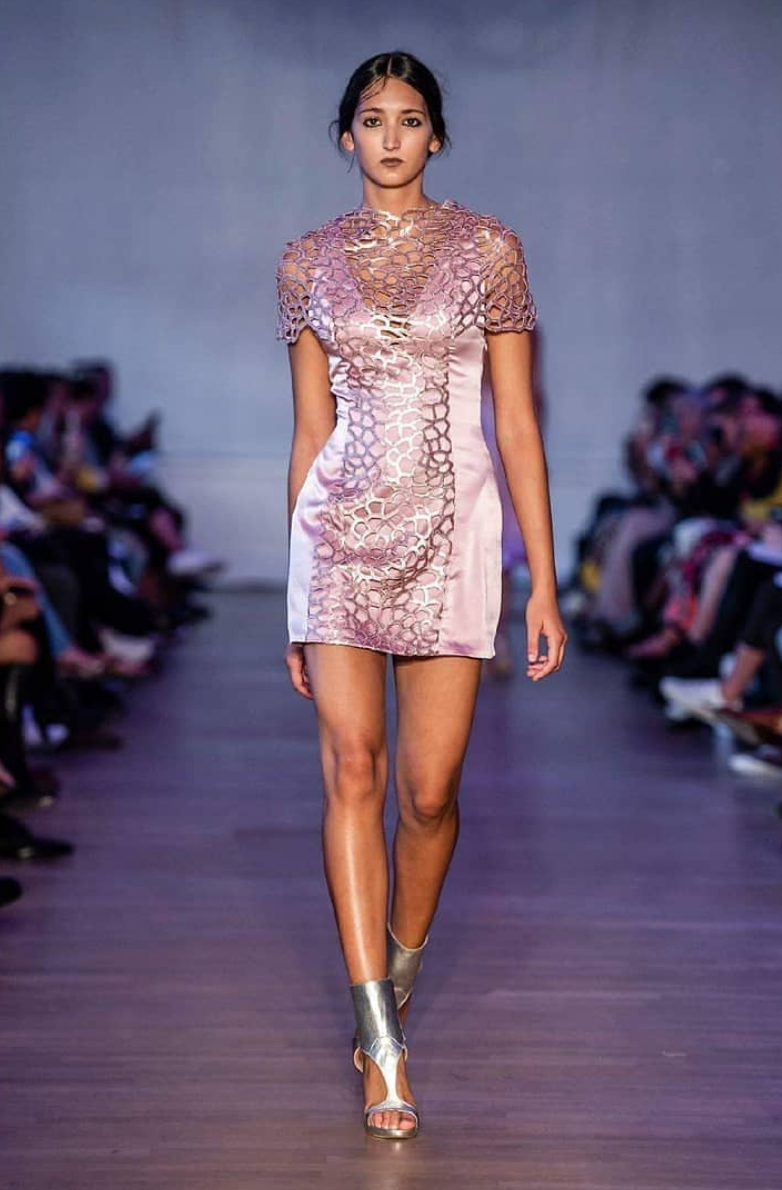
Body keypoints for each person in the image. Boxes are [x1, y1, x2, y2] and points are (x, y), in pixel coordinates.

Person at [275, 50, 566, 1140]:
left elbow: (517, 422)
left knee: (429, 794)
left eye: (408, 119)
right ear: (345, 135)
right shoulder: (306, 261)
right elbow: (310, 430)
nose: (389, 137)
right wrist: (291, 594)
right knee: (352, 769)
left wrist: (541, 579)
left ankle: (394, 979)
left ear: (435, 135)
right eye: (370, 118)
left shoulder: (489, 250)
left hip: (454, 537)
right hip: (339, 539)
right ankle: (381, 1044)